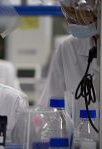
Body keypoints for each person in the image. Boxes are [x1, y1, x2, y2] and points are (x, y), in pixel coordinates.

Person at [38, 0, 99, 130]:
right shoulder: (68, 48)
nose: (73, 22)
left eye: (80, 17)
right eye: (71, 16)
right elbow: (49, 109)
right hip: (81, 144)